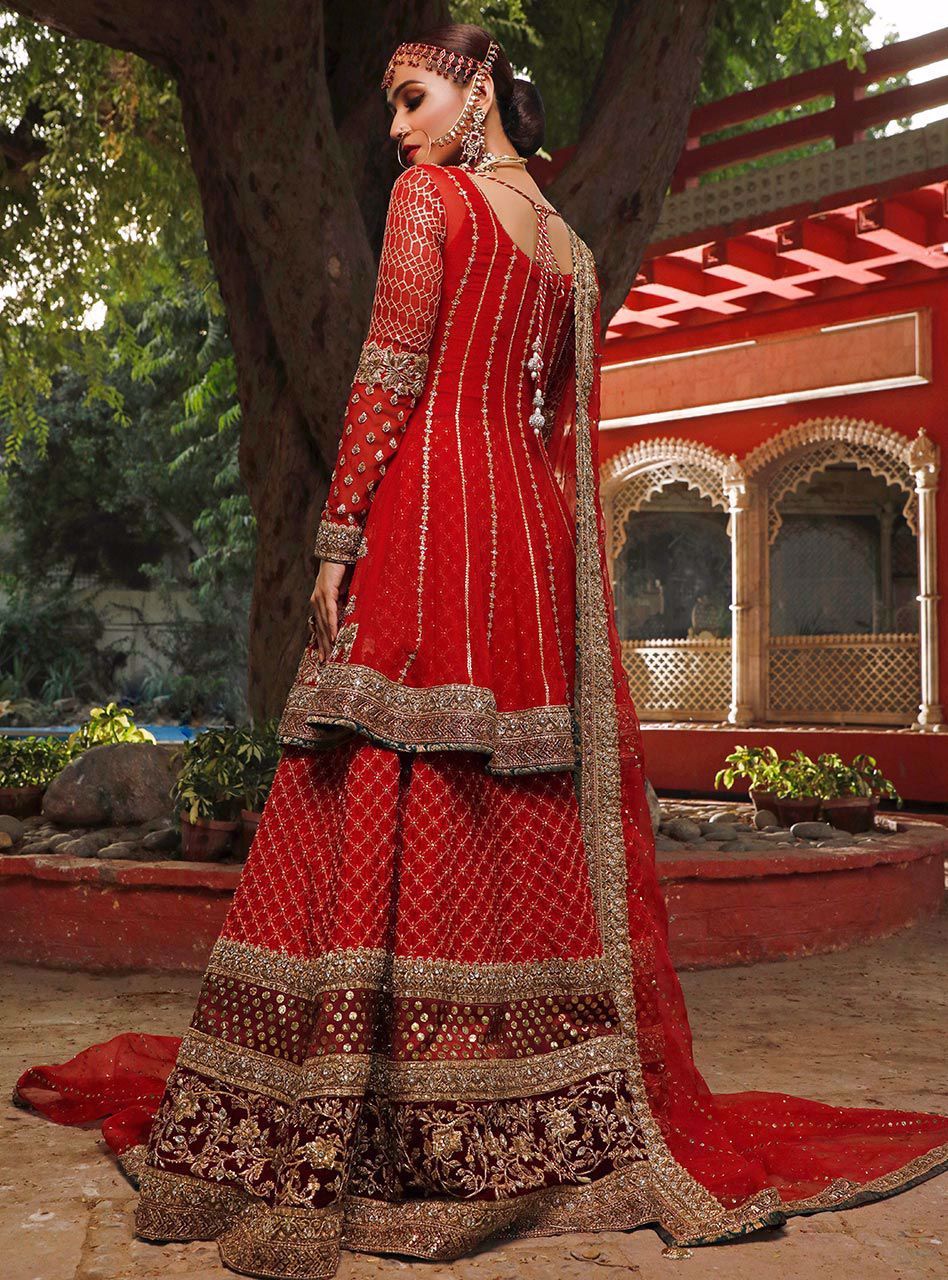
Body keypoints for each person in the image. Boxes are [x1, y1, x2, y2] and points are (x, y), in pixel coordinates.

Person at [13, 22, 948, 1280]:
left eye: (411, 100)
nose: (396, 130)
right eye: (393, 108)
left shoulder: (431, 202)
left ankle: (360, 1090)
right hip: (530, 540)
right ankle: (516, 1107)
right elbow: (560, 422)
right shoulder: (570, 244)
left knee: (374, 775)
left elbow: (388, 377)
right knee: (509, 802)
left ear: (476, 90)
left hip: (430, 514)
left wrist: (336, 536)